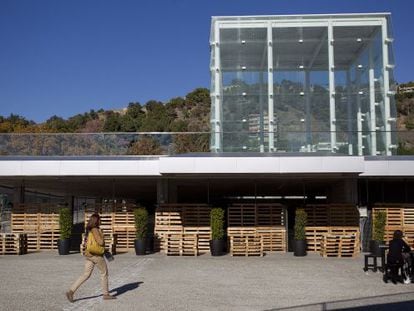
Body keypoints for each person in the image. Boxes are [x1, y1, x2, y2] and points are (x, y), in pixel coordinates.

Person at [66, 213, 116, 302]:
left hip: (89, 254)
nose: (100, 221)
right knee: (104, 273)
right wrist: (103, 237)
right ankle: (106, 294)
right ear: (97, 221)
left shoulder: (88, 230)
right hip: (96, 255)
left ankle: (71, 291)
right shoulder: (95, 230)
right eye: (100, 220)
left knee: (86, 274)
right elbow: (100, 242)